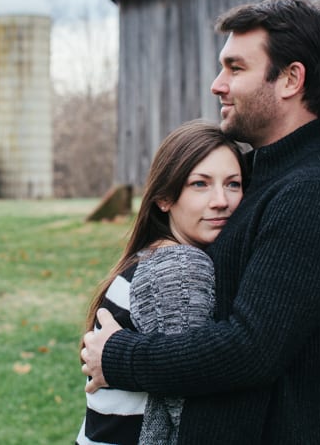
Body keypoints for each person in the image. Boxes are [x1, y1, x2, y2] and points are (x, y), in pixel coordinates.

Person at [80, 0, 320, 444]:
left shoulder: (318, 194)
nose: (217, 84)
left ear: (290, 80)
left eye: (235, 68)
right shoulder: (262, 178)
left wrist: (120, 358)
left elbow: (251, 351)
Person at [76, 120, 246, 445]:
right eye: (200, 184)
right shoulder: (179, 267)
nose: (221, 200)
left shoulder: (149, 256)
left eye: (233, 184)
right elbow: (188, 405)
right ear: (165, 198)